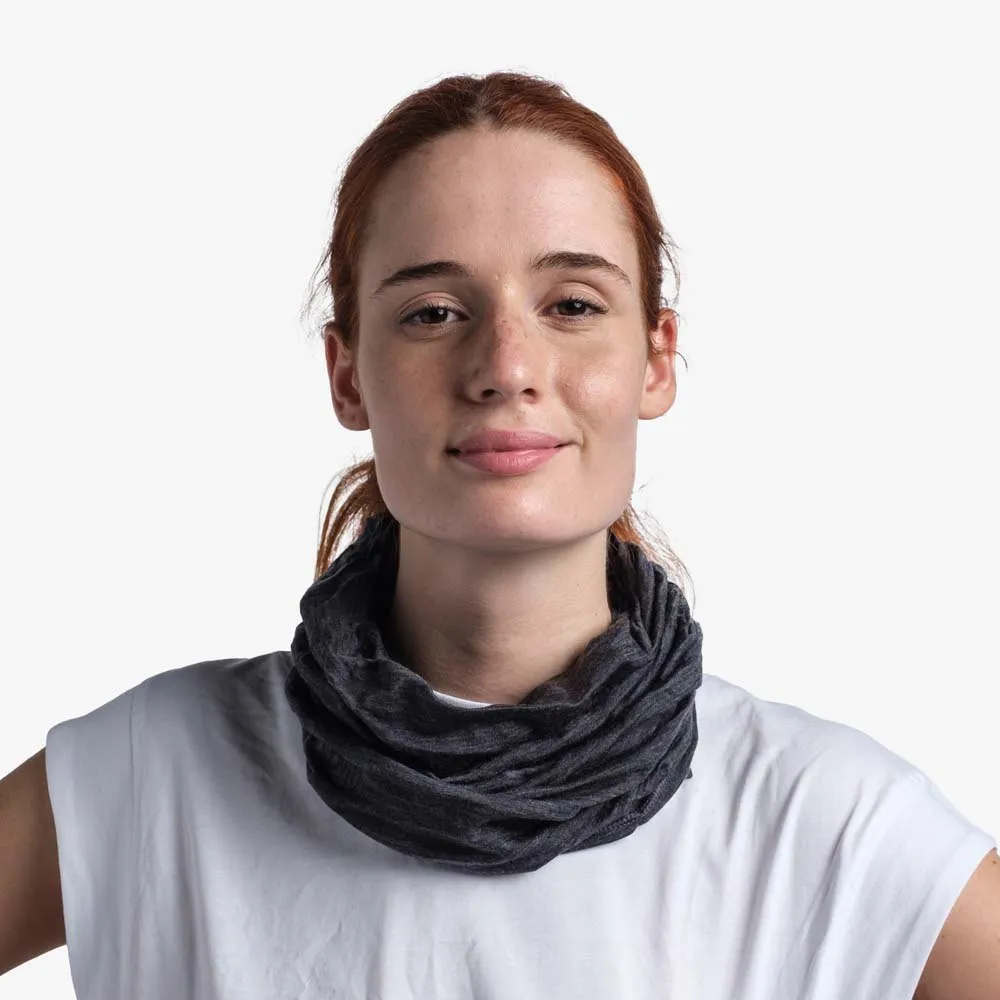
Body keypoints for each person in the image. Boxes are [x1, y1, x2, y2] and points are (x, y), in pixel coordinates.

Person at [1, 71, 997, 999]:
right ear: (347, 374)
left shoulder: (827, 822)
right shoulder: (145, 776)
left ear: (655, 360)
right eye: (434, 312)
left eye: (572, 305)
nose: (507, 366)